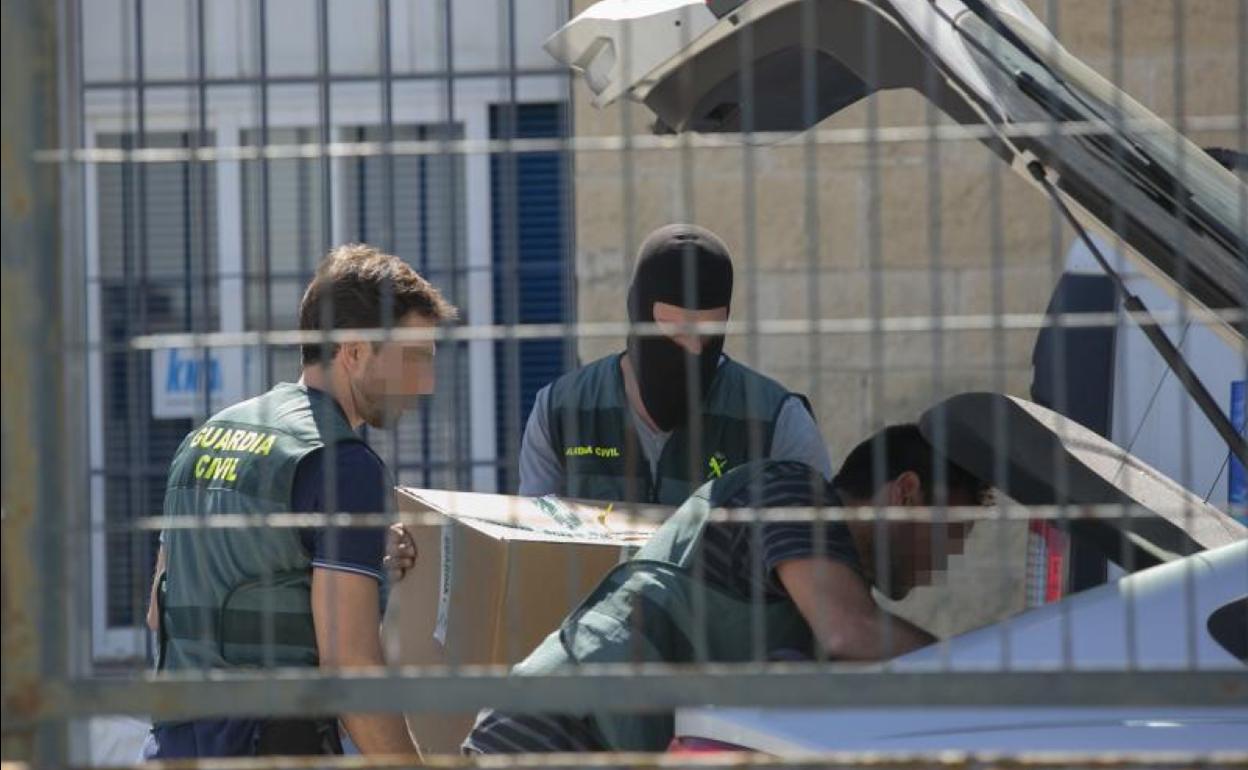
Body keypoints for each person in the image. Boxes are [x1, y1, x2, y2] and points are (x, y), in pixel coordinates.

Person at [459, 424, 989, 754]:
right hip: (552, 735)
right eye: (954, 531)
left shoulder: (818, 594)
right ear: (907, 493)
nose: (952, 555)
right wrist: (982, 678)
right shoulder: (791, 491)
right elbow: (850, 633)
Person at [142, 244, 456, 759]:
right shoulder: (343, 463)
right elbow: (349, 668)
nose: (425, 384)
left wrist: (360, 560)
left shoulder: (202, 440)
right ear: (354, 352)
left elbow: (161, 612)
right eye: (413, 359)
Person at [520, 223, 832, 504]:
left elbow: (815, 548)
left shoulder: (776, 421)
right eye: (676, 329)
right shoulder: (561, 412)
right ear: (638, 313)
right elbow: (536, 545)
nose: (694, 348)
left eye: (710, 332)